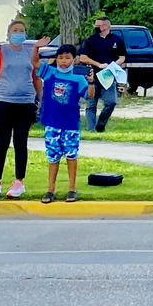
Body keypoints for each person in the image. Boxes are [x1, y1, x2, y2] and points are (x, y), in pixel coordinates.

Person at [0, 9, 50, 199]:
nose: (18, 33)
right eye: (15, 30)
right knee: (1, 142)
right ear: (8, 34)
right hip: (4, 101)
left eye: (21, 30)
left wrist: (41, 100)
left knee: (20, 142)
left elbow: (36, 75)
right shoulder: (2, 50)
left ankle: (19, 182)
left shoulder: (29, 51)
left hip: (25, 103)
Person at [36, 44, 89, 203]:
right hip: (52, 123)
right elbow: (34, 63)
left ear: (74, 59)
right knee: (53, 157)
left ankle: (72, 189)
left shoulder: (78, 78)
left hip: (70, 124)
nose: (63, 61)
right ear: (56, 59)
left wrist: (92, 82)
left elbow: (89, 96)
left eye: (67, 58)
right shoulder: (50, 73)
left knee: (71, 156)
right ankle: (50, 189)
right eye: (60, 58)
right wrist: (36, 48)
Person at [77, 16, 126, 133]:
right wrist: (98, 64)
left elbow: (122, 57)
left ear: (106, 26)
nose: (96, 27)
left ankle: (100, 125)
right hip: (93, 75)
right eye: (96, 25)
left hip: (108, 76)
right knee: (91, 104)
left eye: (98, 25)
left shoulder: (117, 40)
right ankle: (91, 129)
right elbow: (83, 57)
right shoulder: (90, 40)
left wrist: (113, 65)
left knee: (111, 102)